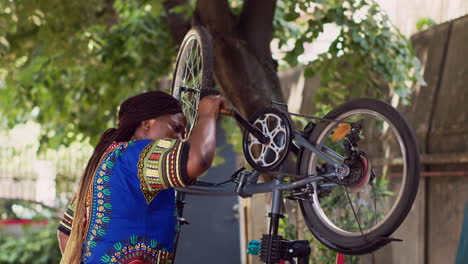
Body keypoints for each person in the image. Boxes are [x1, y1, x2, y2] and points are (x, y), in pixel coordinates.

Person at [57, 91, 224, 264]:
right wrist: (206, 112)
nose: (180, 140)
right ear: (146, 124)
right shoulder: (138, 156)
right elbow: (199, 159)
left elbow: (65, 234)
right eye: (175, 129)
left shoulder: (103, 163)